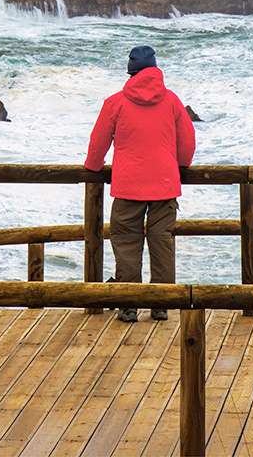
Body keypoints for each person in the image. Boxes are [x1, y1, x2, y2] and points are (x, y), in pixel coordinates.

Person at [83, 45, 196, 323]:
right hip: (165, 184)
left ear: (131, 73)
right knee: (162, 241)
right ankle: (161, 304)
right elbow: (187, 142)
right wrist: (180, 166)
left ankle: (129, 305)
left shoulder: (116, 102)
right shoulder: (171, 101)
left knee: (126, 242)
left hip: (128, 186)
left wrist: (93, 167)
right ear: (155, 70)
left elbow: (98, 142)